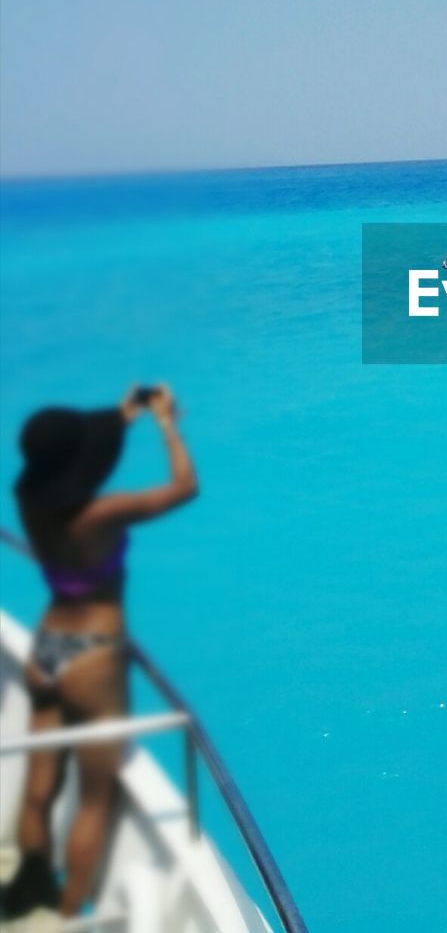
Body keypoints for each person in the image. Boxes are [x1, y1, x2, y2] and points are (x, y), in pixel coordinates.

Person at [1, 385, 198, 922]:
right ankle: (67, 913)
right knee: (95, 794)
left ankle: (31, 881)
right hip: (95, 654)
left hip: (49, 643)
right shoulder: (104, 512)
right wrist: (165, 424)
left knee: (41, 784)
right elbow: (185, 486)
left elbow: (78, 448)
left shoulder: (29, 502)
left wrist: (125, 413)